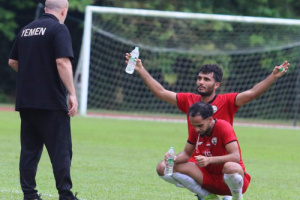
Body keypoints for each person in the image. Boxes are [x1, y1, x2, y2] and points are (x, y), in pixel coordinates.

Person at [124, 53, 289, 199]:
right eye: (199, 78)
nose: (201, 82)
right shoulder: (189, 100)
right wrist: (140, 68)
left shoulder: (227, 101)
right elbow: (161, 92)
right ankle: (206, 195)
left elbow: (252, 93)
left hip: (223, 162)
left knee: (230, 169)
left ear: (216, 84)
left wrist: (273, 76)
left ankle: (231, 196)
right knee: (163, 167)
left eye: (206, 79)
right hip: (200, 164)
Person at [8, 0, 79, 199]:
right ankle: (65, 194)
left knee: (29, 150)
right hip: (51, 101)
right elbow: (62, 62)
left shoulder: (26, 30)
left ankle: (29, 194)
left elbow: (13, 61)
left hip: (26, 101)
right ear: (64, 11)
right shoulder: (58, 29)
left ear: (46, 9)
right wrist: (72, 93)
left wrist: (33, 72)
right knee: (61, 150)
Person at [156, 102, 251, 200]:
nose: (197, 129)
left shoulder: (223, 127)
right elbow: (186, 154)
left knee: (231, 167)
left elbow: (235, 157)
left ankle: (236, 198)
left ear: (210, 119)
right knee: (163, 167)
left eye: (200, 125)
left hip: (228, 179)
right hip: (206, 177)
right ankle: (207, 196)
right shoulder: (196, 130)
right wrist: (174, 159)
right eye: (194, 126)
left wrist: (209, 160)